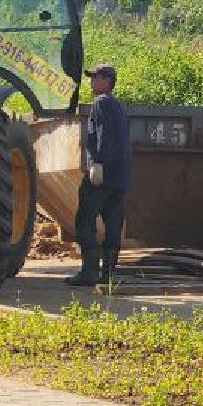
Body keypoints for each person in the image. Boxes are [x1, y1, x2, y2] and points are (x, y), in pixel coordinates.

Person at [66, 63, 130, 290]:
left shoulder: (100, 104)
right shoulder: (119, 106)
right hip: (119, 177)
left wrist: (98, 163)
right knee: (113, 224)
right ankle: (108, 275)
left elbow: (103, 135)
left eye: (95, 77)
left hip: (103, 175)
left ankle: (89, 271)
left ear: (106, 80)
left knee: (84, 219)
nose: (91, 82)